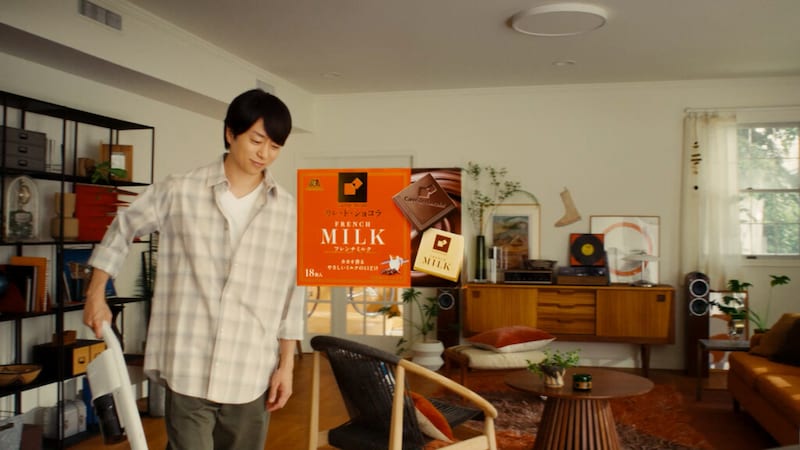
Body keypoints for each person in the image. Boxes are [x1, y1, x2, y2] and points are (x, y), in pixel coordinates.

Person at [83, 88, 304, 450]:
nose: (264, 153)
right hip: (188, 362)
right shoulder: (180, 190)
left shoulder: (288, 211)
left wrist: (287, 365)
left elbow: (294, 291)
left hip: (251, 368)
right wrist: (96, 292)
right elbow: (123, 227)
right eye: (256, 140)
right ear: (230, 133)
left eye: (275, 146)